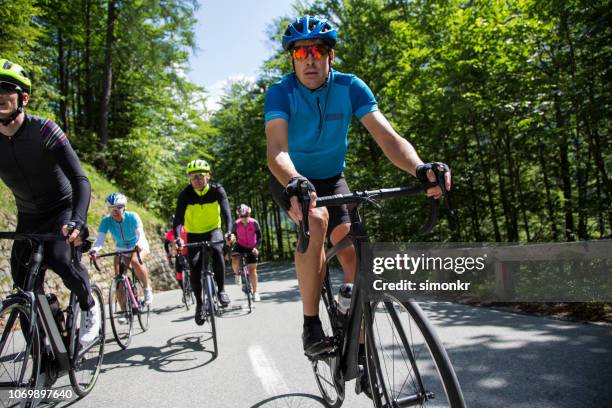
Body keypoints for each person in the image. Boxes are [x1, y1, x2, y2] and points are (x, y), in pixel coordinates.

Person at [265, 16, 452, 362]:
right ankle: (311, 324)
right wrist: (295, 181)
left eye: (318, 50)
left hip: (333, 177)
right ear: (292, 58)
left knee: (354, 252)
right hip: (292, 178)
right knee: (316, 220)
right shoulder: (281, 92)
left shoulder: (351, 87)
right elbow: (276, 149)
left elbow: (388, 137)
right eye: (301, 52)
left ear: (330, 56)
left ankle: (361, 349)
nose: (310, 58)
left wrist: (419, 167)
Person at [0, 58, 100, 346]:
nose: (0, 94)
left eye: (8, 88)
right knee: (23, 283)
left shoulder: (44, 130)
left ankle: (90, 308)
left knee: (60, 258)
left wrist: (78, 221)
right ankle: (46, 344)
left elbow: (81, 180)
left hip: (62, 210)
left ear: (24, 98)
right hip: (28, 216)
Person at [173, 159, 234, 325]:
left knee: (216, 250)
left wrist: (229, 232)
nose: (197, 180)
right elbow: (178, 219)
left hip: (214, 230)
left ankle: (221, 290)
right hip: (193, 234)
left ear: (208, 176)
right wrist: (178, 237)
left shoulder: (217, 190)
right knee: (194, 265)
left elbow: (227, 213)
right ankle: (199, 305)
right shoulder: (186, 194)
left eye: (200, 176)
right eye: (193, 177)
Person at [89, 192, 153, 305]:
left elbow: (140, 235)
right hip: (121, 248)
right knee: (118, 278)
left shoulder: (132, 216)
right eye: (112, 208)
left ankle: (147, 289)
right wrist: (94, 250)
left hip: (137, 244)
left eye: (118, 207)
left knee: (135, 261)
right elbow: (99, 240)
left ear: (124, 207)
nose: (115, 211)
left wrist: (139, 245)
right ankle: (124, 310)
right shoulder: (106, 221)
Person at [230, 204, 263, 301]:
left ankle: (255, 292)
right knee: (234, 258)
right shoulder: (236, 224)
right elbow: (232, 238)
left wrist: (256, 248)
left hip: (252, 247)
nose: (244, 218)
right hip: (240, 245)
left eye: (246, 215)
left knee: (252, 270)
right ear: (239, 216)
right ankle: (237, 274)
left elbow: (260, 237)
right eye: (242, 216)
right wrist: (229, 248)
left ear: (249, 214)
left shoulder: (254, 223)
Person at [163, 216, 187, 290]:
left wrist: (168, 253)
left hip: (187, 253)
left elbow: (166, 244)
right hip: (178, 254)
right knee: (178, 273)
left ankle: (187, 287)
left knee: (190, 269)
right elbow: (166, 243)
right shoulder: (171, 232)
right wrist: (168, 253)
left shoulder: (185, 229)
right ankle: (184, 290)